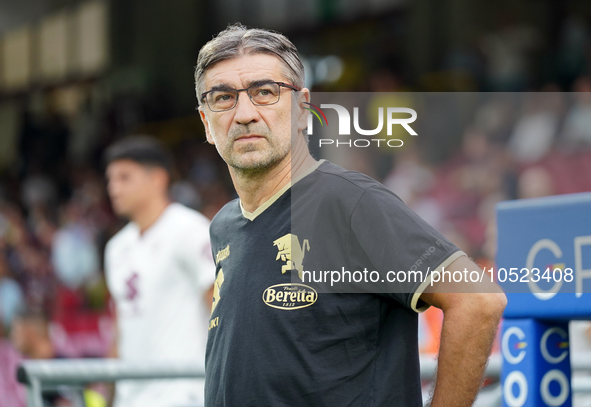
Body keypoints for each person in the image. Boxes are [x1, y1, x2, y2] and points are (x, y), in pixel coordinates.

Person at [195, 24, 507, 407]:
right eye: (223, 97)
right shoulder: (224, 225)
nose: (244, 114)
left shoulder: (350, 202)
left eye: (265, 92)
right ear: (206, 123)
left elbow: (477, 302)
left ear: (302, 110)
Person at [103, 136, 214, 407]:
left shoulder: (190, 230)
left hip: (184, 394)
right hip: (131, 398)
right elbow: (122, 329)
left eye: (124, 177)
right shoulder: (115, 248)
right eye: (110, 180)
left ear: (158, 178)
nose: (113, 188)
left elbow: (221, 312)